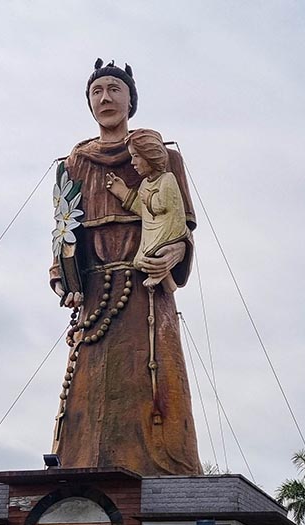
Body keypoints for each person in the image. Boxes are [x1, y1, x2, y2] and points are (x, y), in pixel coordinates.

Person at [48, 59, 201, 476]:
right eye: (97, 92)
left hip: (147, 290)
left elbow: (182, 224)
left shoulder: (160, 155)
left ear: (131, 100)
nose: (106, 98)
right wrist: (65, 279)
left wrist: (176, 252)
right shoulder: (73, 165)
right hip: (96, 296)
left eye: (115, 89)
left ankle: (163, 475)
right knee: (85, 402)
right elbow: (64, 232)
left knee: (152, 388)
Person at [106, 128, 190, 291]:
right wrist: (123, 193)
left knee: (155, 252)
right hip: (152, 228)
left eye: (136, 156)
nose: (132, 163)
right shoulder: (145, 183)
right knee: (141, 260)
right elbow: (143, 209)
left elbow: (162, 205)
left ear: (150, 155)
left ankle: (168, 283)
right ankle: (167, 282)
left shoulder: (168, 178)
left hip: (166, 228)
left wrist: (149, 199)